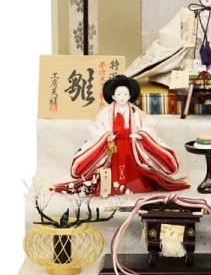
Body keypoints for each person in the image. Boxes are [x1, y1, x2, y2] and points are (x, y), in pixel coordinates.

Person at [53, 75, 189, 195]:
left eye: (125, 94)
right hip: (113, 146)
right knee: (113, 169)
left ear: (130, 96)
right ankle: (115, 186)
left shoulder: (135, 111)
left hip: (131, 145)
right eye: (119, 94)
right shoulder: (106, 112)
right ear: (113, 96)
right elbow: (94, 126)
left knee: (133, 170)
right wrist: (105, 136)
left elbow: (150, 123)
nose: (122, 97)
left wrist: (142, 134)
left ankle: (133, 186)